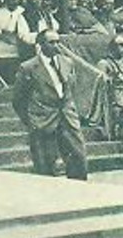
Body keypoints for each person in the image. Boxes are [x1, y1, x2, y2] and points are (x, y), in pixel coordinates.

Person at [11, 30, 91, 180]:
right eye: (51, 42)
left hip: (67, 117)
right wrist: (31, 119)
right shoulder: (28, 67)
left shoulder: (67, 62)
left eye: (57, 41)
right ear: (40, 45)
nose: (56, 45)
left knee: (78, 157)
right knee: (44, 164)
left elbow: (71, 89)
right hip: (43, 120)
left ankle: (79, 191)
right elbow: (18, 100)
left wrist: (71, 109)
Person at [98, 34, 123, 145]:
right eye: (120, 45)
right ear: (113, 47)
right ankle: (113, 139)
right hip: (113, 93)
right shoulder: (104, 63)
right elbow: (100, 79)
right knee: (115, 116)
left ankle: (122, 138)